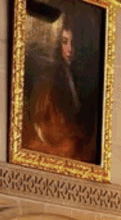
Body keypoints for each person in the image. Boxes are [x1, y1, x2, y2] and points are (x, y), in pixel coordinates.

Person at [22, 17, 96, 164]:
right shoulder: (48, 79)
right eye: (64, 42)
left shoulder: (87, 82)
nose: (70, 49)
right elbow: (40, 123)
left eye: (73, 43)